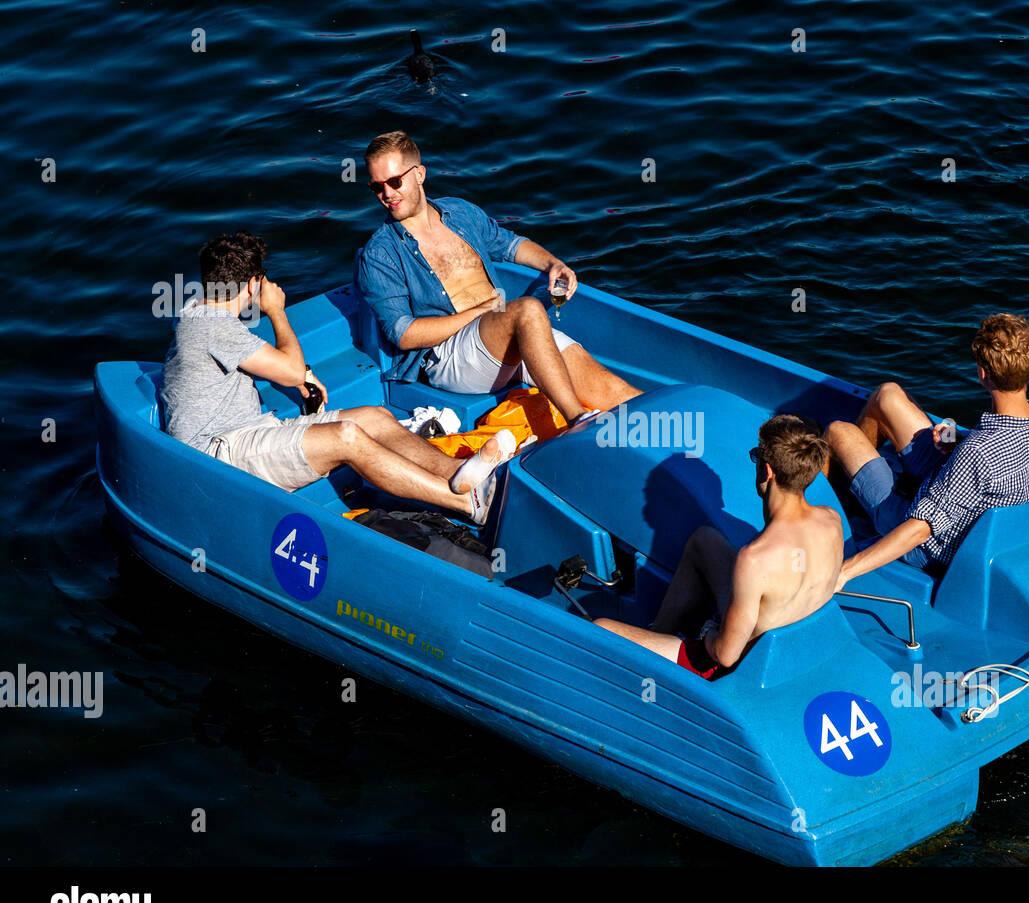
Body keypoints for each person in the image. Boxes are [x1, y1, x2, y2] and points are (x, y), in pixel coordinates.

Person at [160, 231, 509, 522]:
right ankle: (466, 503)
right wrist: (277, 311)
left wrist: (301, 375)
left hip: (251, 432)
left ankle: (457, 474)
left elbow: (280, 368)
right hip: (217, 456)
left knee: (375, 417)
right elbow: (291, 368)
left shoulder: (198, 316)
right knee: (347, 437)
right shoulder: (212, 325)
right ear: (254, 284)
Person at [354, 130, 640, 423]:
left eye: (394, 181)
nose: (387, 194)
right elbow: (403, 334)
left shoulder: (459, 212)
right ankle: (577, 419)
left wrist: (553, 263)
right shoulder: (380, 253)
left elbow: (509, 244)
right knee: (527, 310)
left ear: (419, 174)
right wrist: (483, 311)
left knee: (620, 393)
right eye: (376, 187)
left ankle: (678, 442)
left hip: (505, 331)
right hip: (451, 357)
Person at [825, 312, 1029, 585]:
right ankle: (853, 482)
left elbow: (920, 530)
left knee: (839, 432)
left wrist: (844, 572)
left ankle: (825, 506)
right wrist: (960, 443)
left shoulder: (978, 453)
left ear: (983, 373)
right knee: (888, 395)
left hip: (928, 545)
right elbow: (1008, 460)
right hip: (958, 483)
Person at [594, 415, 843, 679]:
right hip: (790, 649)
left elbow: (725, 655)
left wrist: (707, 632)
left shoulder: (756, 559)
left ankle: (657, 660)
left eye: (756, 456)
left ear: (767, 471)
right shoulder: (831, 520)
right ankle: (657, 637)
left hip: (742, 669)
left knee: (600, 630)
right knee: (705, 540)